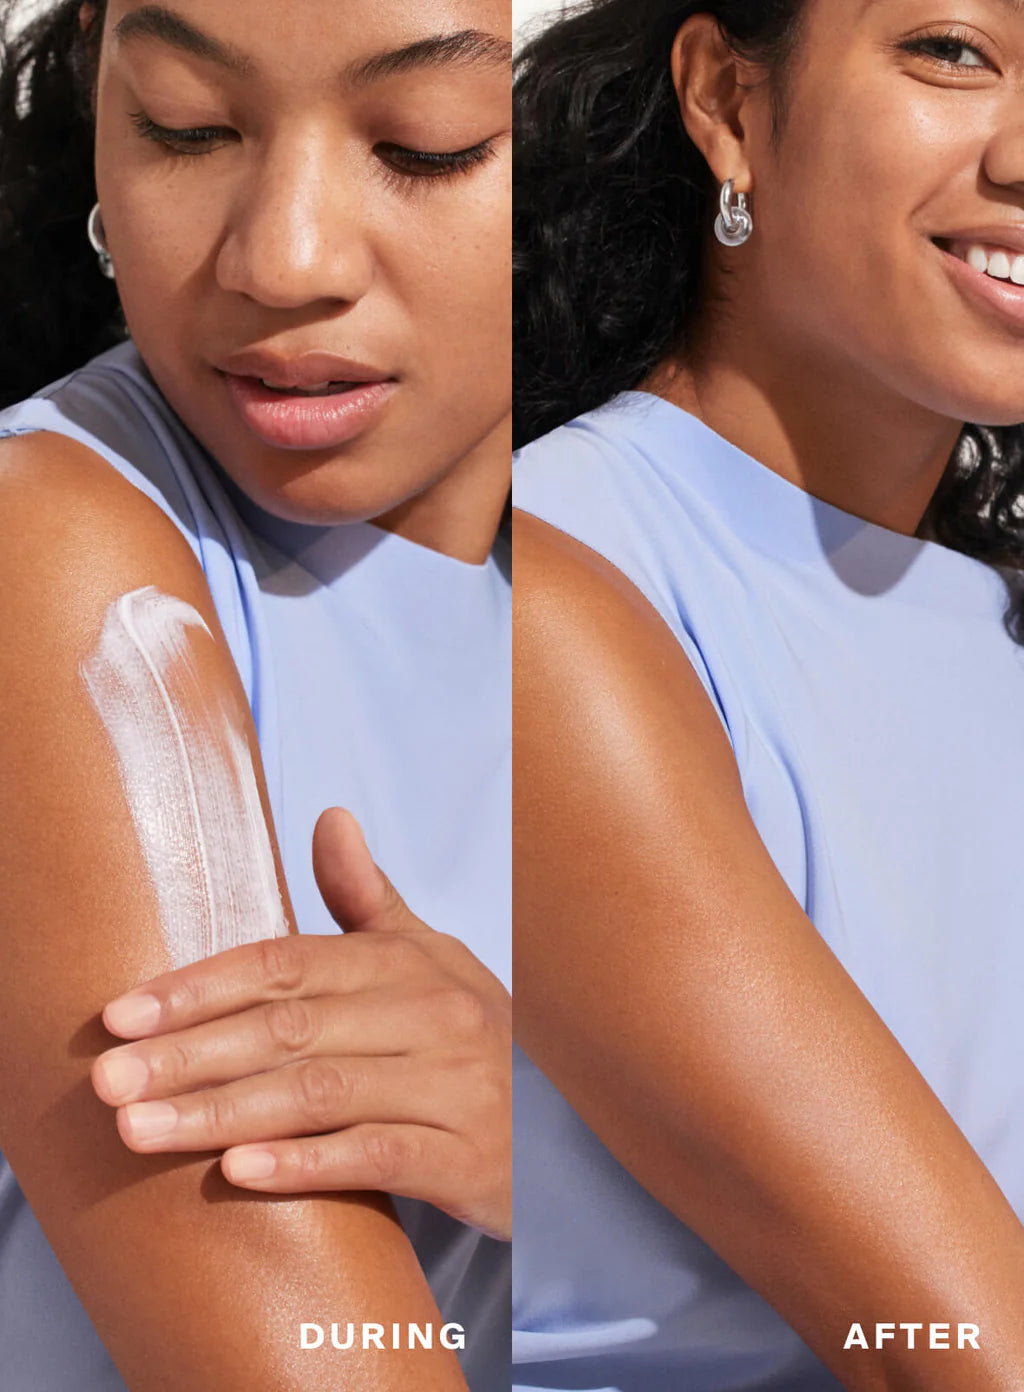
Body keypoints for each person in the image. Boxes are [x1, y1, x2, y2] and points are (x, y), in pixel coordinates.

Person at [512, 1, 1024, 1389]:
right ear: (729, 103)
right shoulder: (548, 596)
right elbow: (952, 1350)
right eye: (955, 52)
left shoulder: (984, 627)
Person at [0, 1, 511, 1389]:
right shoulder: (65, 565)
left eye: (426, 147)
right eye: (186, 127)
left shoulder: (641, 579)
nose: (283, 261)